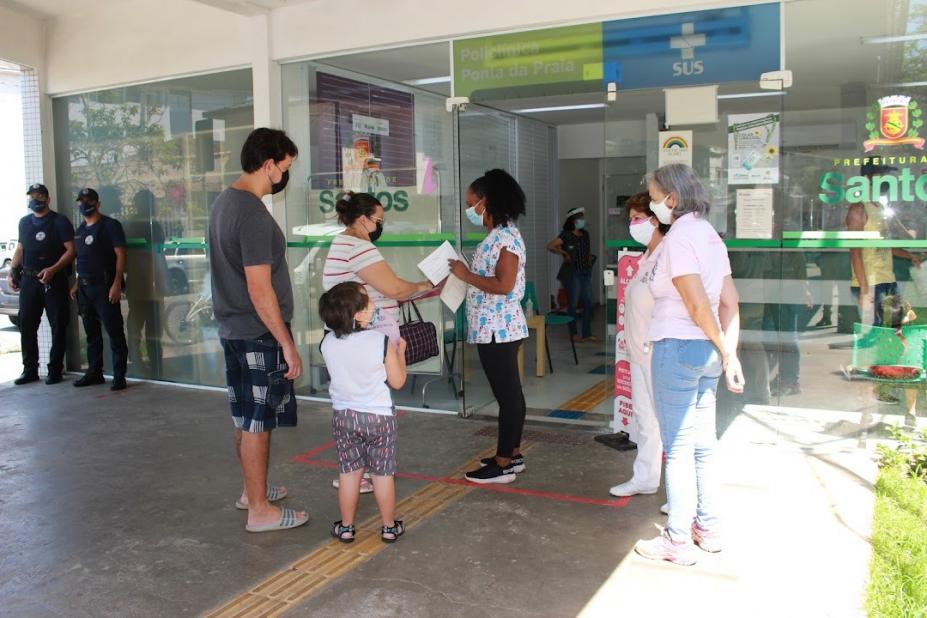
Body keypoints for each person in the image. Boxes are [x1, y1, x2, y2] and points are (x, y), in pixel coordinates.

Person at [633, 164, 745, 566]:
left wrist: (724, 349)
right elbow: (729, 303)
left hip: (678, 348)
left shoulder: (679, 239)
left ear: (672, 199)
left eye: (653, 195)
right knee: (702, 447)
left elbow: (699, 305)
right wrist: (727, 352)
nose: (651, 204)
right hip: (707, 356)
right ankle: (707, 528)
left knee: (677, 448)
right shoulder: (710, 235)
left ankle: (677, 540)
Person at [208, 127, 308, 533]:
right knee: (258, 422)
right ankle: (260, 511)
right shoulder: (249, 212)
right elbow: (258, 286)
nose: (285, 177)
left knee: (244, 416)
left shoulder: (224, 202)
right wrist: (286, 343)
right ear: (268, 165)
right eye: (285, 168)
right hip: (256, 331)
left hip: (234, 329)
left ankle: (253, 492)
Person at [322, 191, 432, 494]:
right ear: (362, 219)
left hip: (350, 338)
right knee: (373, 405)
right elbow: (394, 288)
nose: (380, 225)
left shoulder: (345, 242)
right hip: (365, 339)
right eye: (378, 220)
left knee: (353, 402)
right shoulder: (357, 246)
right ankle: (369, 471)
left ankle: (353, 469)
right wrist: (424, 286)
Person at [449, 169, 529, 484]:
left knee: (508, 397)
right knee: (510, 394)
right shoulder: (500, 234)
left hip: (499, 328)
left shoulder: (506, 237)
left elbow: (505, 284)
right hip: (493, 327)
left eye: (472, 204)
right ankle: (513, 453)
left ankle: (503, 463)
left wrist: (465, 275)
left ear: (486, 202)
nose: (470, 210)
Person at [320, 282, 407, 544]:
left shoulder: (327, 343)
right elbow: (398, 381)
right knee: (382, 474)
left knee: (349, 473)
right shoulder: (379, 341)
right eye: (367, 302)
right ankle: (389, 527)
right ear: (357, 314)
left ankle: (346, 527)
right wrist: (400, 352)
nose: (372, 306)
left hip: (344, 416)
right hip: (379, 418)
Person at [609, 192, 670, 498]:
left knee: (671, 426)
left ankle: (680, 496)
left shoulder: (669, 255)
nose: (632, 224)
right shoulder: (646, 257)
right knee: (645, 421)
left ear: (656, 219)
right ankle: (645, 477)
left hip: (659, 353)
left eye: (637, 218)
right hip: (639, 353)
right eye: (630, 218)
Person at [8, 183, 76, 385]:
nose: (34, 200)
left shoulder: (59, 222)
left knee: (58, 325)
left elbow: (71, 250)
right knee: (27, 324)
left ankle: (55, 369)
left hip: (53, 280)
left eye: (39, 196)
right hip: (29, 280)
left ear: (47, 199)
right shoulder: (25, 222)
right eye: (31, 197)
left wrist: (54, 269)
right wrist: (13, 271)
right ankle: (30, 369)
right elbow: (20, 248)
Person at [70, 188, 130, 391]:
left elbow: (121, 255)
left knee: (114, 332)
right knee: (91, 333)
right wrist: (77, 284)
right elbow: (82, 260)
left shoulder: (110, 226)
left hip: (105, 287)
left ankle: (119, 376)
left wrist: (116, 283)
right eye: (81, 201)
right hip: (85, 289)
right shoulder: (80, 230)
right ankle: (94, 372)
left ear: (97, 203)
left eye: (88, 201)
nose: (84, 205)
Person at [125, 189, 167, 377]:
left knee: (138, 328)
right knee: (152, 329)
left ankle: (139, 363)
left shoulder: (132, 224)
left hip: (140, 283)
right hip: (148, 283)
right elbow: (158, 256)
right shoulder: (150, 225)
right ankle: (154, 366)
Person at [548, 206, 596, 342]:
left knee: (588, 303)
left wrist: (589, 263)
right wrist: (564, 253)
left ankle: (587, 333)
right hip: (572, 273)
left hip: (585, 272)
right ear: (573, 220)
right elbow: (550, 245)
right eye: (579, 218)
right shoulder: (566, 235)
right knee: (573, 304)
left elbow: (588, 250)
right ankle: (574, 333)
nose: (582, 220)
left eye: (582, 217)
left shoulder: (585, 234)